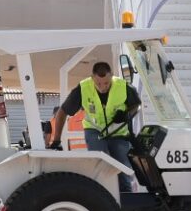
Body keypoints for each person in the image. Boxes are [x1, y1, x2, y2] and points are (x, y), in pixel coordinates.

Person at [48, 61, 142, 193]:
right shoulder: (83, 88)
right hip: (95, 130)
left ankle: (126, 201)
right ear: (92, 78)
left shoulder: (123, 86)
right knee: (101, 162)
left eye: (106, 83)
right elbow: (62, 111)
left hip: (118, 132)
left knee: (123, 170)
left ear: (111, 77)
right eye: (98, 83)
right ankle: (101, 196)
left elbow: (137, 105)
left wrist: (126, 115)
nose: (103, 87)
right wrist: (56, 140)